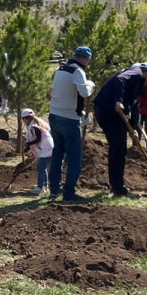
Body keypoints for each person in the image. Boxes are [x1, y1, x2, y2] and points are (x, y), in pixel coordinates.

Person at [93, 62, 147, 198]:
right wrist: (118, 100)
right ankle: (118, 188)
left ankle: (117, 186)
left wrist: (133, 128)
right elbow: (118, 80)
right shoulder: (136, 73)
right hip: (108, 112)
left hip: (110, 114)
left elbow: (134, 105)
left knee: (118, 149)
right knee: (118, 149)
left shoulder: (138, 84)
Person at [48, 46, 96, 202]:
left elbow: (65, 95)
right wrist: (91, 84)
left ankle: (54, 190)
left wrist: (81, 114)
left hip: (54, 115)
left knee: (57, 154)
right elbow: (84, 92)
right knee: (75, 157)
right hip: (69, 119)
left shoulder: (61, 69)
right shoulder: (78, 71)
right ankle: (69, 193)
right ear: (86, 59)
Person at [20, 108, 53, 197]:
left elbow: (37, 138)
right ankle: (44, 185)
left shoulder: (34, 126)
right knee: (43, 168)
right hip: (48, 149)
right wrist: (27, 146)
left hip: (45, 150)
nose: (23, 121)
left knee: (40, 168)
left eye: (23, 119)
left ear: (26, 119)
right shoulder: (36, 123)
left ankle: (40, 187)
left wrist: (28, 143)